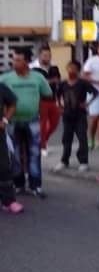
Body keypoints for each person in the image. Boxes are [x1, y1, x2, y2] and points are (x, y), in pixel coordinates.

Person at [0, 48, 53, 198]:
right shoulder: (5, 79)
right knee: (14, 155)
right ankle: (19, 184)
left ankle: (36, 185)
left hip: (32, 121)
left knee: (35, 154)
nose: (14, 62)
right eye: (13, 59)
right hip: (12, 122)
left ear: (27, 62)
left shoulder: (38, 78)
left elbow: (47, 95)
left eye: (18, 60)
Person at [53, 60, 99, 172]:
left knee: (82, 138)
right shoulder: (63, 84)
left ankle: (83, 162)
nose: (71, 70)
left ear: (78, 71)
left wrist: (87, 103)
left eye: (73, 68)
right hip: (67, 115)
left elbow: (96, 93)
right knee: (66, 139)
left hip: (80, 115)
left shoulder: (83, 83)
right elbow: (57, 95)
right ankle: (64, 161)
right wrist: (59, 106)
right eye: (69, 68)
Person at [30, 45, 61, 157]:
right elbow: (36, 84)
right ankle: (42, 146)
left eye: (49, 55)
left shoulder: (54, 67)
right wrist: (50, 81)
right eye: (45, 55)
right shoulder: (33, 68)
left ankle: (43, 141)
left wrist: (60, 100)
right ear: (39, 55)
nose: (47, 58)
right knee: (42, 124)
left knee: (54, 122)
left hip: (52, 99)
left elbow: (58, 82)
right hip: (40, 99)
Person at [0, 81, 22, 214]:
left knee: (3, 167)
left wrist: (5, 120)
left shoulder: (1, 88)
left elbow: (13, 104)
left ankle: (8, 201)